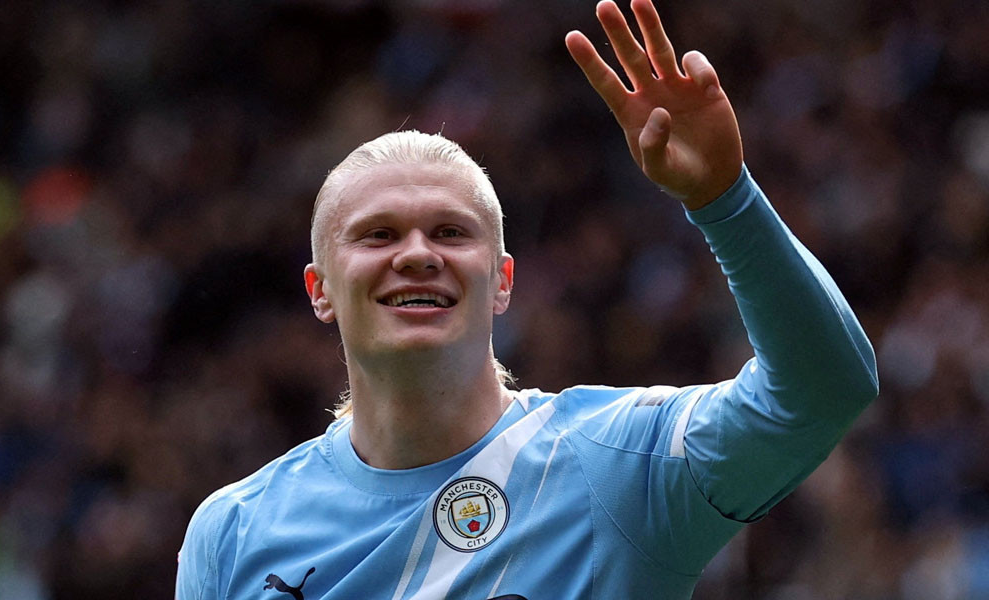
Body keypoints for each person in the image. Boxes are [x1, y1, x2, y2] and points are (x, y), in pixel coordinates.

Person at [175, 1, 878, 598]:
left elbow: (822, 393)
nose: (417, 253)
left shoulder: (614, 467)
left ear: (504, 281)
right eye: (378, 234)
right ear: (320, 290)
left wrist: (725, 199)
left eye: (451, 232)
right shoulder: (234, 532)